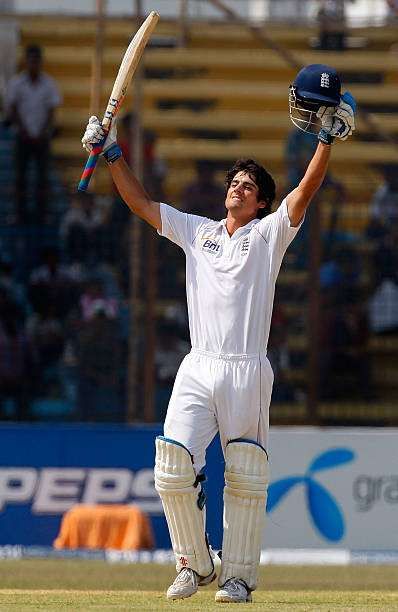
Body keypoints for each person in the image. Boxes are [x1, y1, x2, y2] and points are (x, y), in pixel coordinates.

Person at [82, 64, 355, 604]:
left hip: (246, 366)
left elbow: (306, 189)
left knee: (245, 476)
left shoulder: (270, 234)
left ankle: (239, 577)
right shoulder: (197, 231)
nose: (237, 186)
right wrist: (112, 150)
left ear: (258, 203)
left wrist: (325, 138)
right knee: (171, 467)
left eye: (248, 185)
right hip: (199, 364)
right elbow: (139, 203)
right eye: (235, 180)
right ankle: (194, 564)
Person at [4, 44, 61, 224]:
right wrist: (24, 130)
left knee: (42, 178)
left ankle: (42, 214)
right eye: (31, 60)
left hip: (41, 137)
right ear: (26, 61)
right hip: (22, 137)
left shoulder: (49, 84)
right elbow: (12, 110)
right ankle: (19, 214)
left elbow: (52, 112)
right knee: (20, 177)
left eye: (36, 61)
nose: (33, 64)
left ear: (40, 62)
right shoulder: (16, 83)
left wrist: (42, 132)